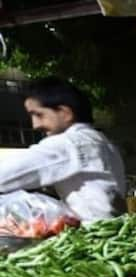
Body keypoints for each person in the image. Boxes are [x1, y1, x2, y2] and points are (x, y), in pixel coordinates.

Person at [0, 77, 126, 221]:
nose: (35, 125)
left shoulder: (71, 144)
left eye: (39, 114)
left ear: (65, 113)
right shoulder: (100, 141)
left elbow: (6, 174)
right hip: (110, 229)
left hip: (94, 235)